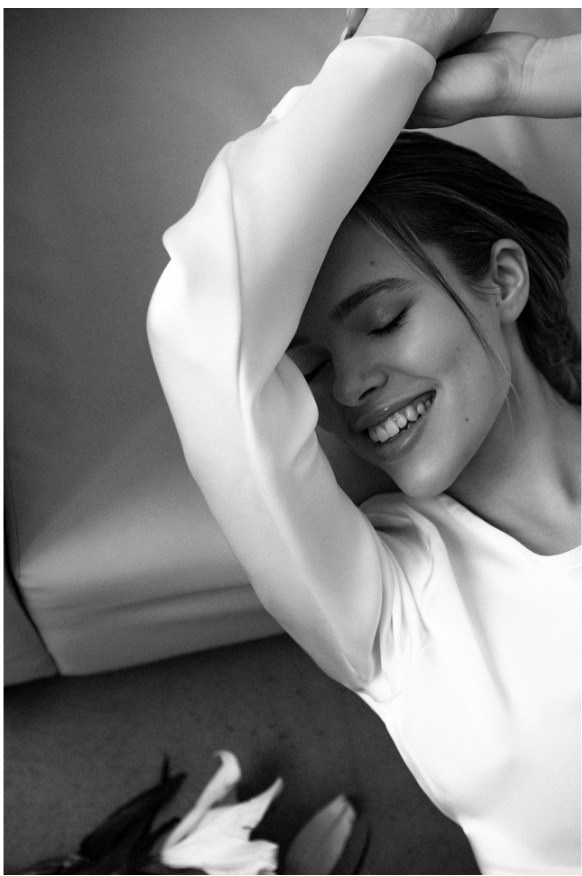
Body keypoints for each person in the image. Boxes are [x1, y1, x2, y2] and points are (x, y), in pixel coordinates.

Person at [148, 10, 581, 875]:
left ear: (503, 280)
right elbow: (203, 334)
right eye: (312, 368)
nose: (347, 388)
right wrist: (395, 45)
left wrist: (523, 74)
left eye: (383, 321)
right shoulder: (388, 603)